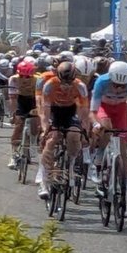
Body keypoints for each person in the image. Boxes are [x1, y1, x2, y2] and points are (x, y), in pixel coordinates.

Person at [37, 61, 92, 201]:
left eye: (70, 82)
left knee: (74, 135)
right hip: (54, 111)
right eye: (63, 81)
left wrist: (84, 130)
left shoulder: (80, 86)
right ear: (58, 77)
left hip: (70, 111)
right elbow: (45, 112)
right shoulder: (49, 85)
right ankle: (44, 181)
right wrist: (45, 130)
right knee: (52, 138)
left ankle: (72, 163)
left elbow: (84, 112)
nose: (66, 86)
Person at [88, 60, 127, 185]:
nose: (119, 88)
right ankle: (98, 160)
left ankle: (123, 186)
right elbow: (93, 110)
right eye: (115, 85)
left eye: (122, 86)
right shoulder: (101, 82)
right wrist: (96, 124)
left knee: (122, 150)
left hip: (120, 109)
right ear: (110, 79)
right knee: (106, 125)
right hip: (103, 107)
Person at [7, 59, 41, 169]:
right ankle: (14, 154)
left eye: (27, 77)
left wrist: (39, 111)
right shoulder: (13, 79)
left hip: (33, 100)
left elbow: (41, 98)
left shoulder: (38, 79)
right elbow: (12, 98)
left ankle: (33, 142)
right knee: (18, 126)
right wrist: (12, 114)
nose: (24, 79)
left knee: (35, 124)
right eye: (22, 76)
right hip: (21, 100)